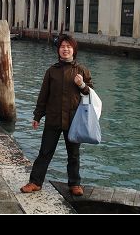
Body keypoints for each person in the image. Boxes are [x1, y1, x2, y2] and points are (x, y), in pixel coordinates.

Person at [20, 34, 93, 197]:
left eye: (68, 46)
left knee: (73, 154)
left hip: (74, 120)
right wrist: (37, 116)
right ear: (58, 50)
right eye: (62, 47)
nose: (65, 49)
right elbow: (43, 96)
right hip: (53, 119)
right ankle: (35, 182)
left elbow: (90, 94)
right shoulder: (51, 71)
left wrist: (81, 84)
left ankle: (75, 183)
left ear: (74, 49)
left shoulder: (82, 70)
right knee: (45, 152)